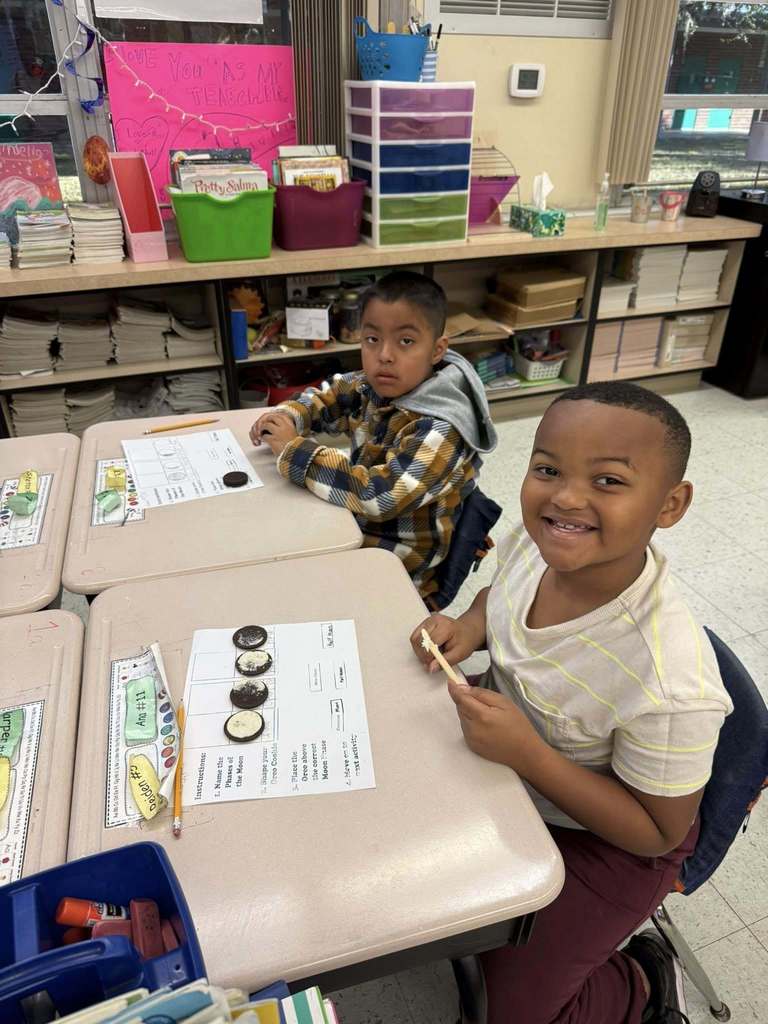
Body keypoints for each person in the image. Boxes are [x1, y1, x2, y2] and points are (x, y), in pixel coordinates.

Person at [410, 381, 733, 1024]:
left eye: (608, 481)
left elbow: (657, 832)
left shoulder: (669, 680)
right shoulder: (540, 540)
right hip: (511, 766)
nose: (565, 496)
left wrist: (528, 755)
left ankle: (637, 985)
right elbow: (494, 599)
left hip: (610, 836)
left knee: (514, 1012)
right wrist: (465, 628)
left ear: (670, 504)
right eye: (548, 469)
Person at [251, 271, 497, 601]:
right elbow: (329, 395)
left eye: (406, 341)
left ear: (437, 350)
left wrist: (293, 451)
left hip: (401, 567)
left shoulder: (441, 429)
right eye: (372, 339)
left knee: (285, 582)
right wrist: (288, 416)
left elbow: (378, 496)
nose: (385, 355)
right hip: (356, 525)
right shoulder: (374, 384)